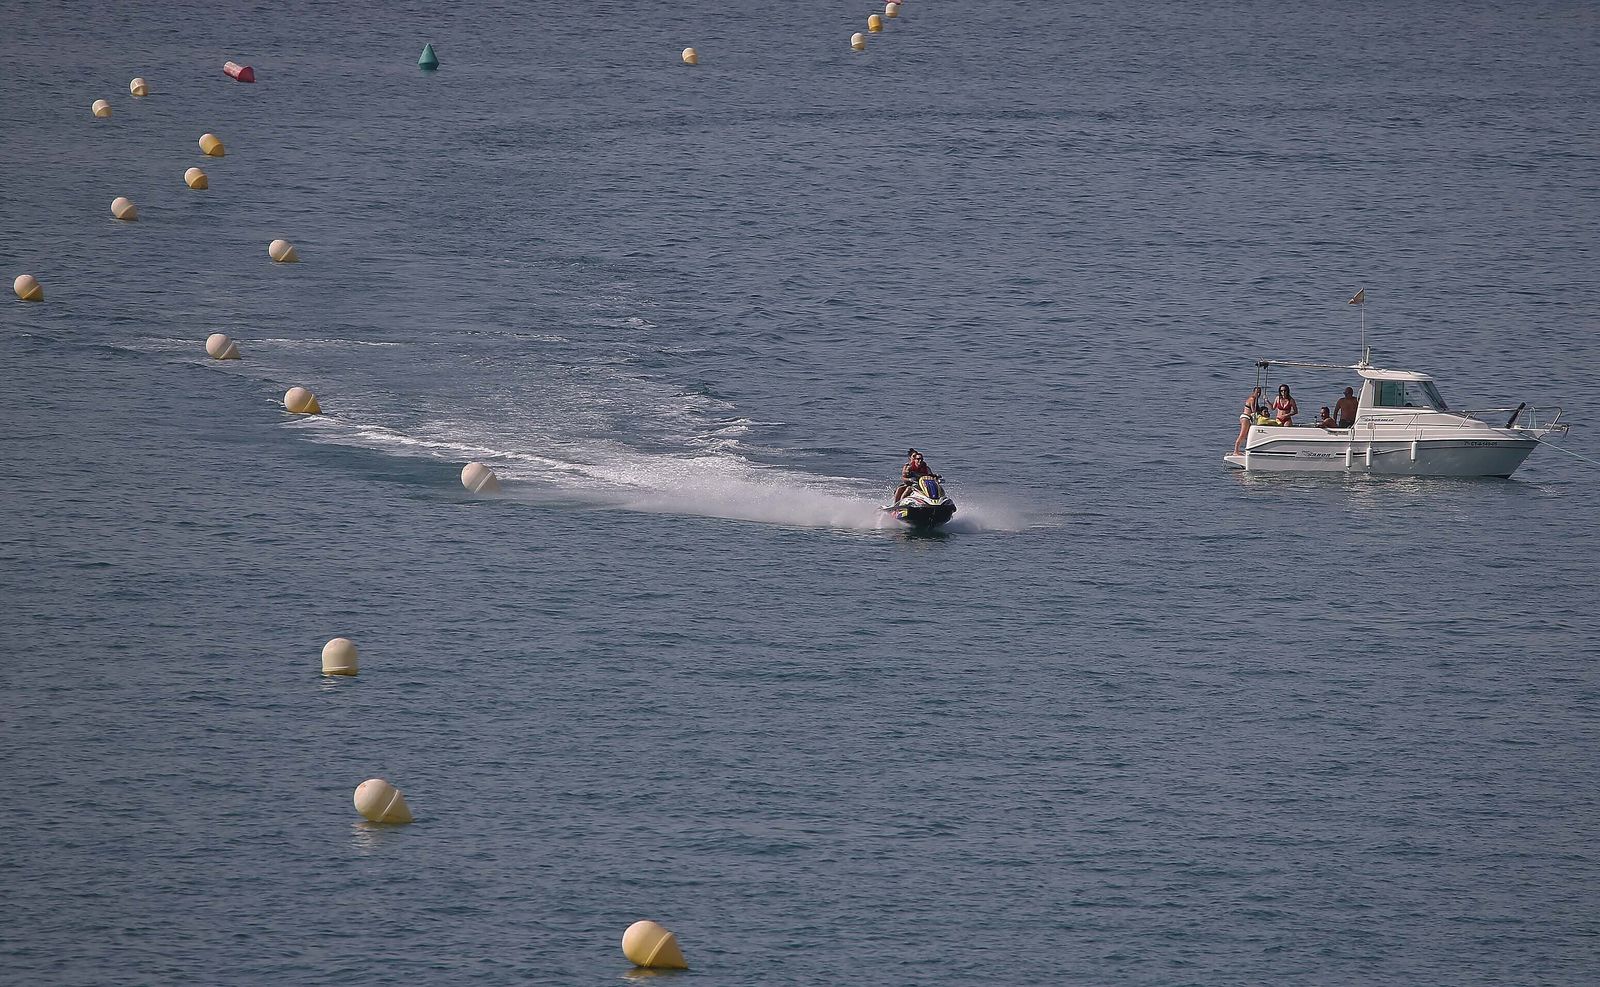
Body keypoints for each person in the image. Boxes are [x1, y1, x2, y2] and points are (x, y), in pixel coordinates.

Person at [1234, 386, 1263, 455]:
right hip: (1246, 417)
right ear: (1253, 392)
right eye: (1257, 392)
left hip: (1248, 418)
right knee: (1242, 435)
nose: (1258, 394)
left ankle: (1246, 450)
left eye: (1259, 393)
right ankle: (1236, 451)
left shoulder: (1256, 400)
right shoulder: (1252, 399)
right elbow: (1253, 410)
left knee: (1248, 435)